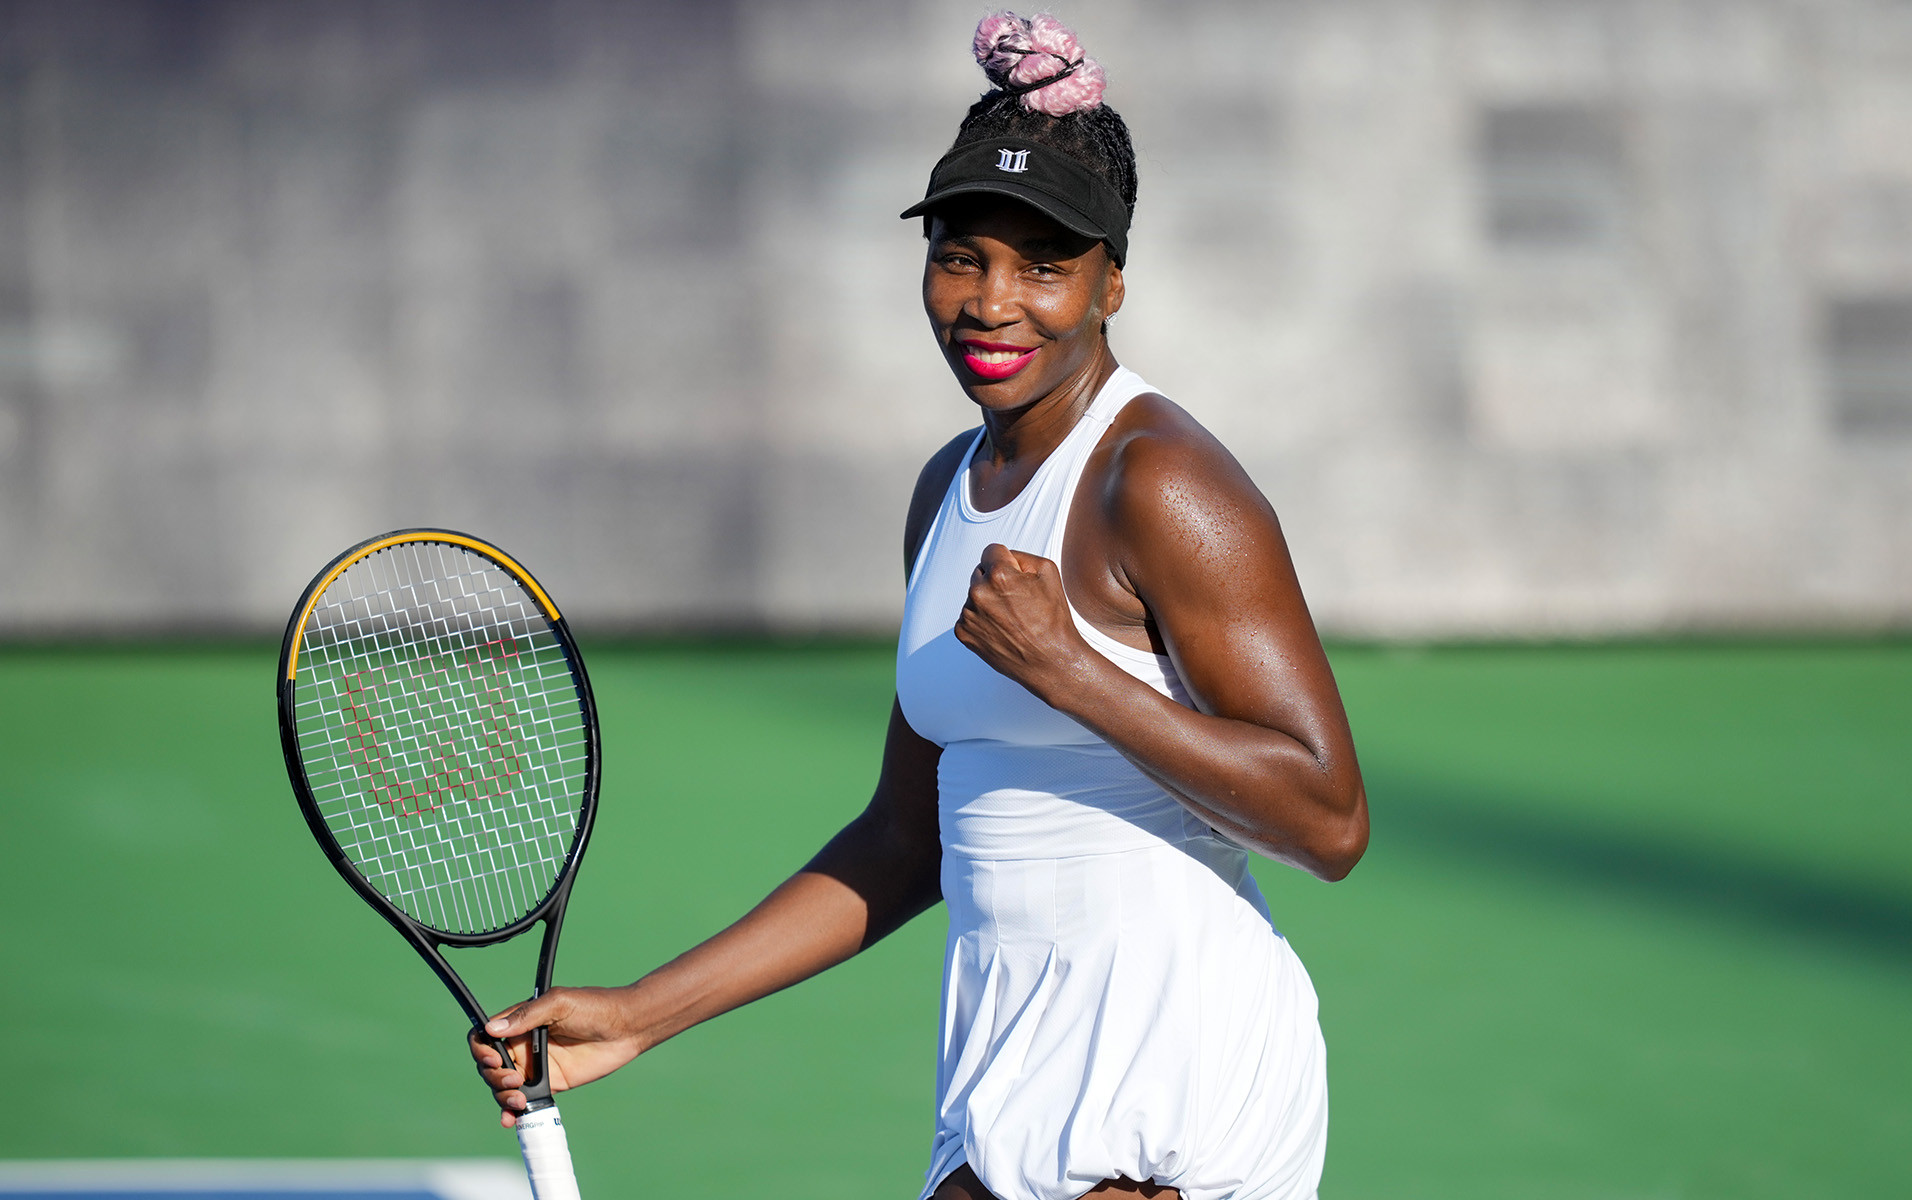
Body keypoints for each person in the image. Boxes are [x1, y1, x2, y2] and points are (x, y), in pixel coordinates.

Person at [471, 12, 1368, 1199]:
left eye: (1045, 265)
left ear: (1112, 285)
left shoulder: (1159, 480)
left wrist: (1073, 672)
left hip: (1167, 1067)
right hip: (1001, 1062)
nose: (993, 302)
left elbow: (1327, 818)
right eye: (961, 254)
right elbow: (907, 838)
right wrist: (641, 1016)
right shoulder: (946, 491)